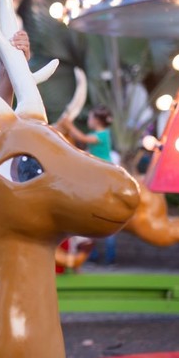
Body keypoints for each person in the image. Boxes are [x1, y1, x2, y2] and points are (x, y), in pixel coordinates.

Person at [60, 106, 117, 265]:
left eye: (91, 118)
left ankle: (109, 257)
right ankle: (93, 253)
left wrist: (68, 125)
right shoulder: (100, 134)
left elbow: (83, 138)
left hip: (103, 173)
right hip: (97, 173)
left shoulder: (101, 135)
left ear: (97, 121)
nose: (88, 120)